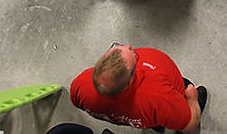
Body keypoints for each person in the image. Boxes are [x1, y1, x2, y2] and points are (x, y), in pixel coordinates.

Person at [70, 43, 207, 133]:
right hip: (172, 101)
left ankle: (157, 124)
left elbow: (77, 103)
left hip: (141, 118)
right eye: (134, 56)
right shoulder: (159, 97)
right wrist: (192, 99)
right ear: (129, 83)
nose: (129, 46)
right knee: (181, 102)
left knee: (154, 119)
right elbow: (190, 126)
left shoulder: (79, 85)